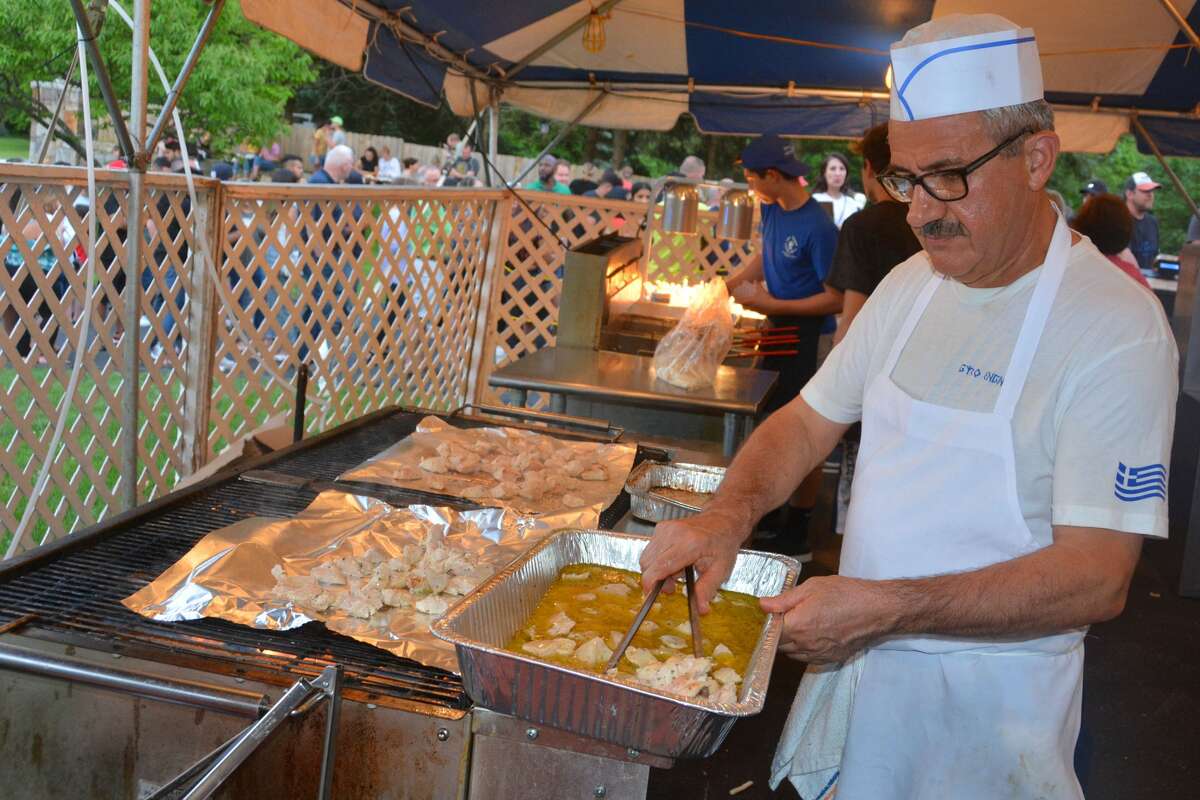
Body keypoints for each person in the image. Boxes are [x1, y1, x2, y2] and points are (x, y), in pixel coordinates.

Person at [642, 13, 1176, 800]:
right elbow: (804, 423)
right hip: (858, 684)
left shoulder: (1115, 329)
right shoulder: (910, 286)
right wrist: (728, 516)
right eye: (905, 178)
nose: (922, 210)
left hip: (990, 727)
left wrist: (888, 609)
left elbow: (1097, 576)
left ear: (1036, 158)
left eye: (951, 176)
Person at [724, 133, 842, 561]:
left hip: (809, 338)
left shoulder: (819, 226)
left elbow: (836, 298)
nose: (751, 185)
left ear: (773, 175)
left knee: (802, 429)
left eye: (753, 177)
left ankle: (799, 528)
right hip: (777, 327)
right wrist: (731, 283)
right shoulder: (771, 208)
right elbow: (764, 254)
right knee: (771, 423)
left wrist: (770, 302)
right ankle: (773, 512)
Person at [824, 123, 922, 533]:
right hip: (921, 371)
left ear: (867, 168)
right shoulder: (929, 221)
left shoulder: (862, 227)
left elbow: (852, 315)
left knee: (860, 481)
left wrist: (833, 371)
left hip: (870, 375)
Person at [1071, 193, 1152, 290]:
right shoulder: (1132, 276)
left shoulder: (1068, 267)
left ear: (1080, 224)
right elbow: (1152, 303)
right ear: (1125, 229)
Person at [812, 152, 866, 228]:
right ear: (824, 173)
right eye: (833, 169)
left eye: (842, 169)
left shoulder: (853, 203)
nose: (838, 173)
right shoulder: (815, 200)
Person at [1125, 170, 1161, 274]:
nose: (1151, 195)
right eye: (1145, 191)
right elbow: (1124, 258)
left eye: (1152, 191)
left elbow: (1155, 258)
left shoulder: (1152, 222)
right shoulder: (1119, 220)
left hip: (1149, 283)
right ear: (1130, 194)